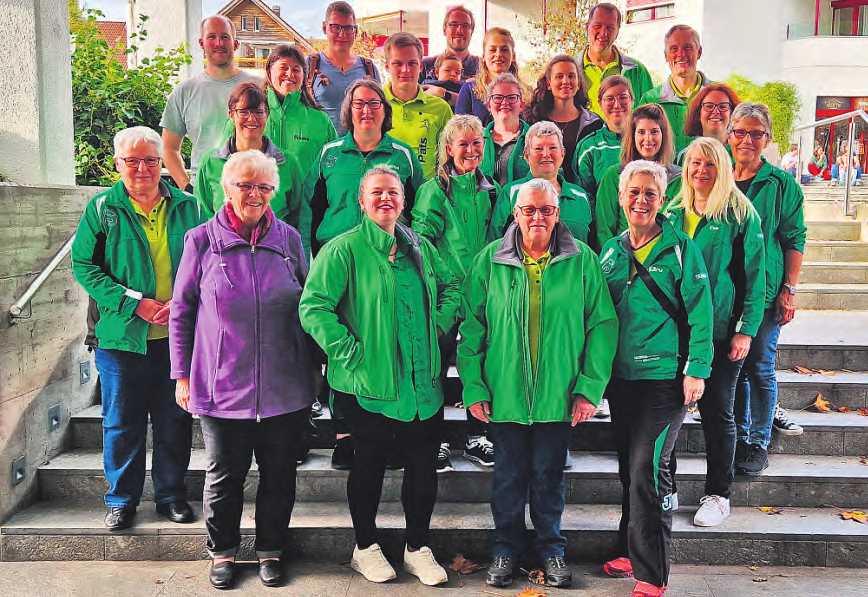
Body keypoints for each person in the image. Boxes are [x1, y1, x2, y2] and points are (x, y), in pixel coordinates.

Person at [299, 166, 461, 586]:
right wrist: (349, 352)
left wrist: (438, 325)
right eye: (376, 192)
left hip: (422, 383)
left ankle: (417, 548)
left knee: (423, 470)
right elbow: (314, 306)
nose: (385, 198)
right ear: (362, 200)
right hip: (369, 385)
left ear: (404, 201)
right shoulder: (343, 250)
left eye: (393, 192)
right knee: (368, 467)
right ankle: (365, 546)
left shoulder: (421, 247)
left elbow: (453, 287)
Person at [459, 178, 618, 589]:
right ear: (516, 214)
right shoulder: (489, 260)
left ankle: (551, 550)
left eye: (546, 210)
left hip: (558, 396)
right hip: (505, 395)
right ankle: (505, 549)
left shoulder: (582, 260)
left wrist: (588, 388)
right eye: (529, 209)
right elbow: (473, 329)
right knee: (507, 478)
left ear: (557, 213)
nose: (537, 217)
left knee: (549, 478)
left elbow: (602, 325)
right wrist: (474, 386)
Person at [170, 150, 314, 589]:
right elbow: (182, 311)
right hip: (221, 384)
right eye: (245, 185)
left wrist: (313, 370)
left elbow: (309, 305)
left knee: (280, 476)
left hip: (283, 384)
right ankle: (223, 552)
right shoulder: (200, 240)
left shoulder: (289, 240)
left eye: (263, 187)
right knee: (223, 478)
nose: (254, 194)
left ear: (274, 191)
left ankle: (271, 550)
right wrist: (182, 375)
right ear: (225, 188)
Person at [70, 126, 203, 532]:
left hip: (177, 338)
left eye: (150, 160)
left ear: (163, 162)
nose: (142, 168)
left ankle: (171, 496)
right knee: (121, 422)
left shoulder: (190, 207)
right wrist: (135, 304)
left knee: (174, 421)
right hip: (121, 338)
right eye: (132, 161)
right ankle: (121, 500)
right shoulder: (102, 209)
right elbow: (84, 266)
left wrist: (184, 302)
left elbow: (208, 261)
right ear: (118, 163)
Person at [599, 160, 713, 597]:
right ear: (621, 197)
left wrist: (697, 369)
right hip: (622, 380)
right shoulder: (611, 251)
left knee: (648, 469)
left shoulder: (682, 248)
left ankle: (652, 573)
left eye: (650, 193)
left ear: (663, 199)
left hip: (666, 379)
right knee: (630, 471)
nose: (641, 200)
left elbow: (701, 311)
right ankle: (630, 551)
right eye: (634, 192)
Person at [666, 137, 766, 528]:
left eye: (709, 164)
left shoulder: (740, 213)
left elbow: (754, 277)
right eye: (695, 163)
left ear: (722, 168)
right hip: (675, 329)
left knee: (718, 411)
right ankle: (667, 487)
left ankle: (718, 495)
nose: (701, 171)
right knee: (668, 411)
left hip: (722, 332)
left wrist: (746, 330)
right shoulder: (672, 210)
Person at [411, 114, 498, 472]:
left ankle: (478, 436)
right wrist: (443, 284)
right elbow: (421, 244)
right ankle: (436, 440)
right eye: (463, 144)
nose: (471, 150)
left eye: (477, 143)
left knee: (478, 365)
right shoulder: (433, 191)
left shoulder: (491, 191)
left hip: (483, 295)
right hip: (446, 295)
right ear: (449, 148)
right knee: (436, 367)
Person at [728, 103, 807, 476]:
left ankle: (758, 441)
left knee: (759, 366)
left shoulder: (781, 184)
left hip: (764, 291)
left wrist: (789, 289)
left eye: (756, 133)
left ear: (767, 138)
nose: (747, 140)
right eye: (740, 132)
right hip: (725, 291)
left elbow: (794, 238)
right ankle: (738, 437)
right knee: (733, 368)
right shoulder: (718, 176)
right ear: (729, 135)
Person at [299, 78, 425, 260]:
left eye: (374, 103)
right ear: (349, 110)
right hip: (336, 255)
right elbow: (308, 209)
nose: (367, 110)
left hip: (388, 256)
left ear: (385, 110)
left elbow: (422, 210)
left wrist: (415, 253)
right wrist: (305, 258)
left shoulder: (403, 155)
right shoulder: (329, 154)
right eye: (358, 104)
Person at [161, 16, 261, 191]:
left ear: (235, 44)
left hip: (253, 190)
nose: (218, 43)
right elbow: (169, 149)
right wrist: (187, 188)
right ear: (202, 43)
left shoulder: (260, 87)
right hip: (204, 193)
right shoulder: (185, 91)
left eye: (224, 37)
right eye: (211, 37)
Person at [197, 83, 305, 227]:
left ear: (267, 115)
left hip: (276, 241)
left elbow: (300, 216)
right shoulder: (209, 163)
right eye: (244, 112)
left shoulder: (289, 163)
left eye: (259, 112)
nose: (252, 118)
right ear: (231, 114)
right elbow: (202, 216)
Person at [220, 44, 337, 177]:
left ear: (303, 76)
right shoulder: (244, 117)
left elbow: (336, 170)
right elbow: (221, 166)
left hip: (307, 192)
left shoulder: (321, 120)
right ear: (269, 72)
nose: (290, 74)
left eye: (296, 69)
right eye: (283, 68)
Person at [490, 121, 593, 246]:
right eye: (538, 149)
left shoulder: (580, 197)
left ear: (562, 154)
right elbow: (495, 244)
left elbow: (592, 246)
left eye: (552, 148)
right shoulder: (511, 194)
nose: (546, 154)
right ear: (527, 156)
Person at [595, 103, 682, 249]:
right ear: (632, 135)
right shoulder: (613, 176)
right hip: (624, 256)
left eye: (654, 132)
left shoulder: (680, 179)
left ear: (663, 135)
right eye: (641, 132)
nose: (648, 139)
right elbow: (604, 231)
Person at [522, 54, 603, 184]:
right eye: (559, 76)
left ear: (578, 84)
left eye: (571, 76)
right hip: (541, 191)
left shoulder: (594, 124)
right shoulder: (532, 121)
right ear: (549, 84)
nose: (566, 81)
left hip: (582, 193)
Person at [384, 32, 454, 181]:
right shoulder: (374, 104)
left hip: (426, 193)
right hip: (383, 192)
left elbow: (449, 160)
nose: (405, 70)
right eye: (398, 63)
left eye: (412, 63)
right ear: (387, 66)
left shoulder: (441, 109)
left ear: (421, 66)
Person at [307, 1, 381, 136]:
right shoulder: (309, 66)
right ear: (325, 28)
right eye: (336, 27)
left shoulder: (369, 69)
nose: (342, 34)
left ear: (355, 31)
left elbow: (379, 113)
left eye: (348, 28)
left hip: (359, 147)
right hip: (320, 147)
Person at [639, 25, 711, 154]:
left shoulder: (717, 96)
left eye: (687, 47)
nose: (681, 54)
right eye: (674, 49)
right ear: (666, 55)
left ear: (699, 52)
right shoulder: (650, 100)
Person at [578, 2, 653, 116]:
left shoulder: (637, 72)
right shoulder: (570, 71)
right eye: (598, 26)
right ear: (587, 28)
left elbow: (651, 117)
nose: (603, 33)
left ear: (617, 32)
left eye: (610, 28)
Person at [574, 76, 635, 200]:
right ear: (600, 103)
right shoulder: (589, 147)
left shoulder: (645, 141)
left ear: (632, 101)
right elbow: (584, 197)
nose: (617, 105)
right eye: (610, 99)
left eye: (623, 97)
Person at [456, 27, 528, 127]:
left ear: (513, 56)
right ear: (484, 56)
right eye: (492, 50)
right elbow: (459, 129)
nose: (498, 54)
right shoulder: (470, 90)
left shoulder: (527, 94)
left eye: (504, 50)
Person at [420, 6, 480, 107]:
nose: (459, 30)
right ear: (445, 29)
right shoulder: (426, 65)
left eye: (465, 26)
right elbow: (410, 98)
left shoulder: (482, 67)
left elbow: (488, 106)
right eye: (454, 25)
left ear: (472, 31)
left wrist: (446, 95)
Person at [481, 73, 531, 187]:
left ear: (521, 105)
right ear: (488, 105)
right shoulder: (476, 142)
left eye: (511, 97)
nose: (504, 102)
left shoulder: (535, 140)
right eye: (498, 97)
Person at [675, 83, 741, 166]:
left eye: (723, 107)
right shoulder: (683, 157)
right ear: (698, 114)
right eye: (709, 106)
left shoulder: (741, 156)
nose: (716, 112)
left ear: (732, 114)